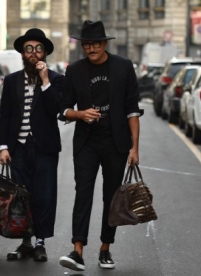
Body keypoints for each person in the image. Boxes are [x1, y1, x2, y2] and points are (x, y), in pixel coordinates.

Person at [58, 20, 141, 271]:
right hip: (86, 142)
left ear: (104, 43)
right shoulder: (74, 70)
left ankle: (105, 249)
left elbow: (132, 110)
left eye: (96, 43)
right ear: (82, 46)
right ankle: (77, 250)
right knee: (83, 193)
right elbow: (63, 110)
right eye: (86, 44)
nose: (91, 48)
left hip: (116, 143)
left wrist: (135, 148)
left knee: (111, 197)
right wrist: (81, 114)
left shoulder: (124, 67)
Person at [0, 28, 64, 262]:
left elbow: (55, 110)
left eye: (38, 49)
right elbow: (4, 115)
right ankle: (25, 241)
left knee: (44, 196)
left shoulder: (56, 79)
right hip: (18, 148)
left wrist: (45, 81)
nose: (33, 53)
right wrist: (3, 146)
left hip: (44, 147)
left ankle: (40, 242)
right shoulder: (12, 80)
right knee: (21, 197)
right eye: (29, 49)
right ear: (23, 54)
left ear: (44, 53)